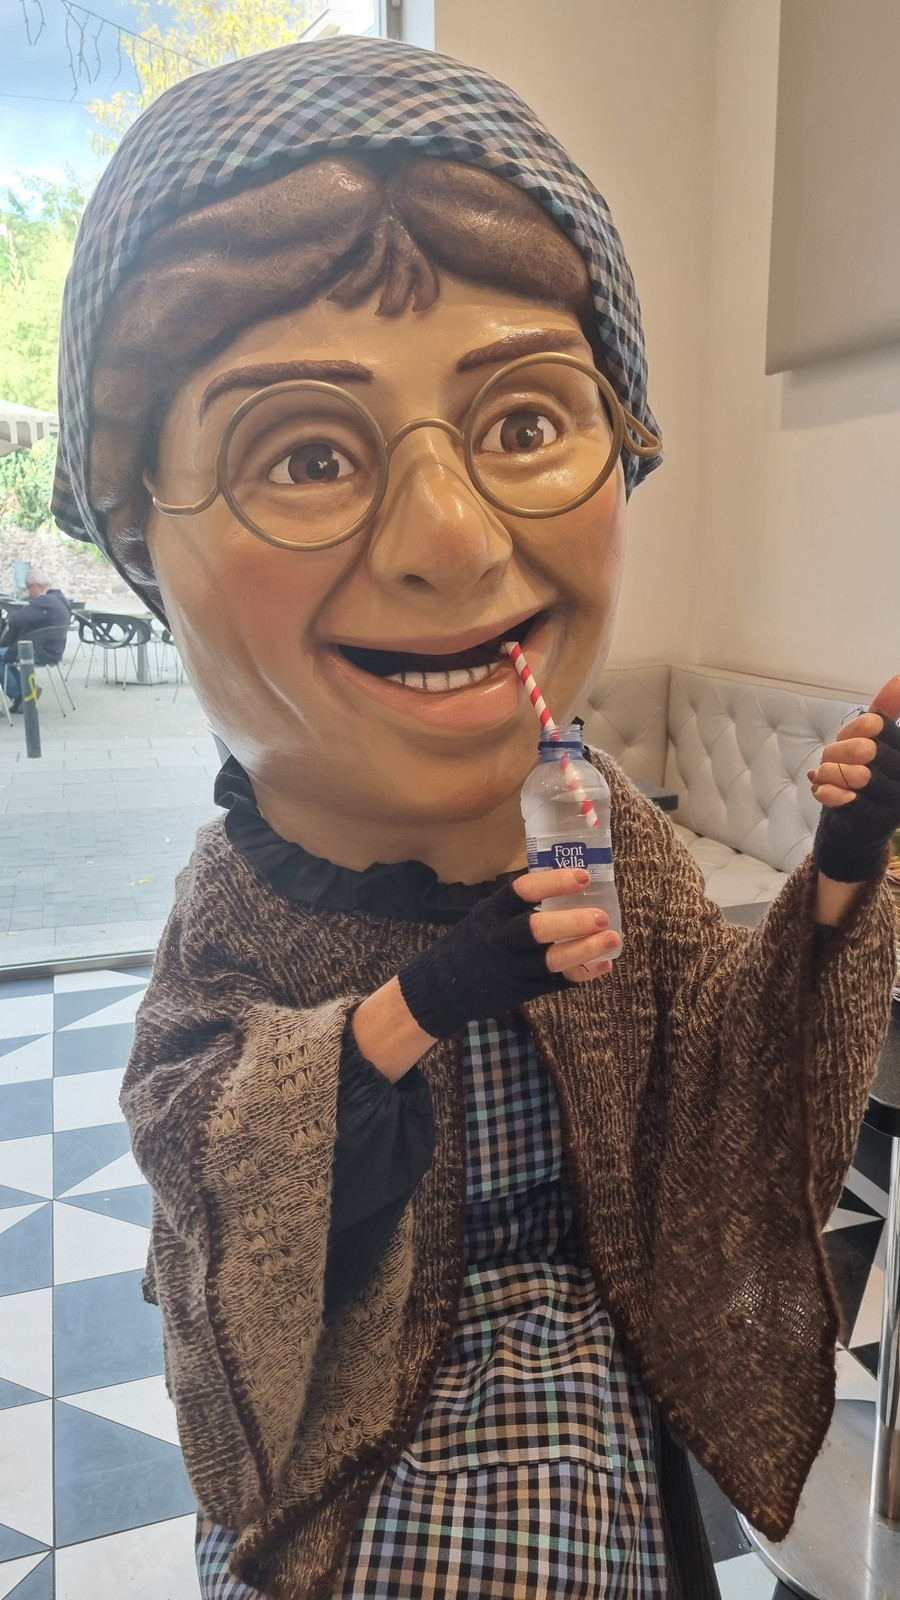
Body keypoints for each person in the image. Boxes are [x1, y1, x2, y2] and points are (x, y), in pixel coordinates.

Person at [51, 37, 900, 1600]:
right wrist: (423, 1001)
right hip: (342, 1389)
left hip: (579, 1339)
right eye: (307, 453)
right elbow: (197, 1139)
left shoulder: (606, 834)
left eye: (523, 424)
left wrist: (843, 867)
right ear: (137, 537)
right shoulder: (247, 895)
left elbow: (728, 1087)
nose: (451, 539)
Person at [0, 567, 71, 712]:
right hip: (52, 649)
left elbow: (17, 618)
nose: (29, 594)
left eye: (28, 589)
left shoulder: (46, 601)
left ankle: (22, 695)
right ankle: (26, 690)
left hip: (41, 651)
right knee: (5, 656)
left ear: (35, 586)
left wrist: (10, 616)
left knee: (2, 655)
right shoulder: (59, 598)